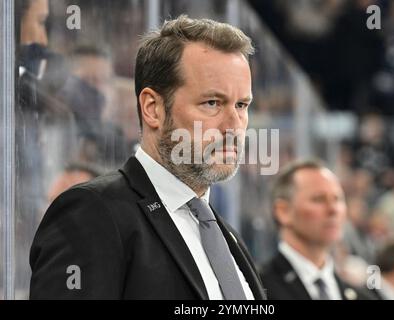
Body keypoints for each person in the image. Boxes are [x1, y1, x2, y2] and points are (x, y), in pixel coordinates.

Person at [29, 15, 266, 300]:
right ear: (152, 108)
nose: (233, 126)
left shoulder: (227, 237)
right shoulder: (92, 213)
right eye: (212, 103)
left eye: (242, 105)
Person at [260, 159, 375, 300]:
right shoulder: (255, 289)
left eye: (338, 199)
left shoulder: (363, 297)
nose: (333, 209)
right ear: (283, 211)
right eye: (318, 199)